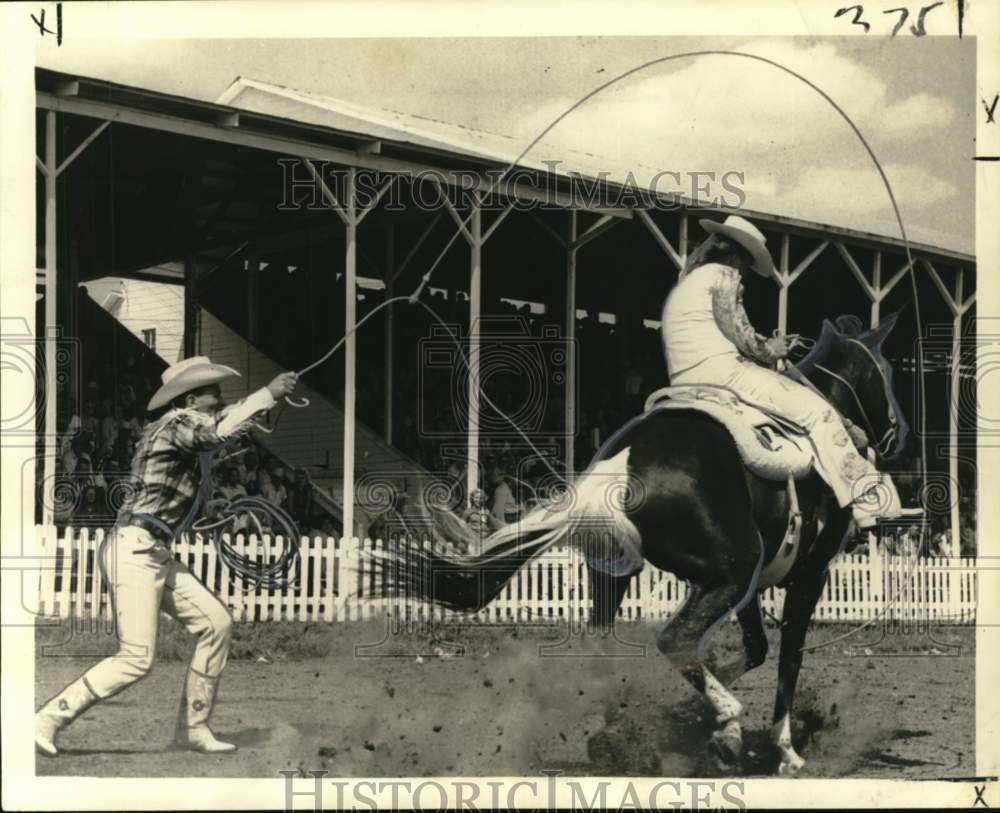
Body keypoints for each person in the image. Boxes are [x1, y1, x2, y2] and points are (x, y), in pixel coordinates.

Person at [35, 355, 298, 757]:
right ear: (193, 398)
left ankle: (193, 728)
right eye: (214, 392)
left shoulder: (183, 434)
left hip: (150, 549)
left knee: (217, 623)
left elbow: (191, 469)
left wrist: (207, 511)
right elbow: (218, 431)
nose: (220, 398)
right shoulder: (177, 424)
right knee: (136, 659)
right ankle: (49, 718)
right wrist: (267, 394)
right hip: (136, 549)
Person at [660, 215, 922, 529]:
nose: (745, 271)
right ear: (737, 255)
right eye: (746, 263)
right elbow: (743, 336)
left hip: (680, 380)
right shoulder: (725, 276)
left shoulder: (687, 282)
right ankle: (867, 500)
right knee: (819, 412)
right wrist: (774, 349)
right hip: (722, 373)